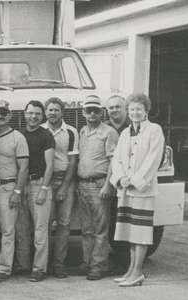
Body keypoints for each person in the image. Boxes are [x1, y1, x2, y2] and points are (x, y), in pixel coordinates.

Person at [109, 93, 165, 287]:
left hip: (143, 190)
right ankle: (131, 271)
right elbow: (117, 159)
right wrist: (121, 178)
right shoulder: (125, 133)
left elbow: (153, 159)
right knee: (130, 232)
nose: (135, 112)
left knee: (140, 233)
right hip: (126, 189)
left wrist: (135, 180)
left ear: (146, 111)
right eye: (131, 109)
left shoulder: (154, 130)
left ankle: (138, 272)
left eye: (138, 109)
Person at [0, 100, 29, 282]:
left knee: (8, 230)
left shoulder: (18, 137)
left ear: (9, 115)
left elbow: (23, 167)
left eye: (3, 112)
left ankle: (4, 268)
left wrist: (17, 191)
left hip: (8, 187)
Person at [76, 94, 120, 281]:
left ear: (101, 112)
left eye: (95, 110)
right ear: (84, 112)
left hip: (99, 185)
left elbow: (114, 161)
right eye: (88, 110)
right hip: (83, 185)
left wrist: (108, 185)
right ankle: (87, 262)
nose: (92, 113)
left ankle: (99, 265)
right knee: (87, 229)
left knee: (101, 229)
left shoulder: (109, 132)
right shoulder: (83, 132)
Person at [14, 101, 56, 282]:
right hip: (20, 185)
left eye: (37, 114)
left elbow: (50, 165)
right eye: (30, 113)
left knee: (40, 230)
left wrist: (44, 189)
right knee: (21, 228)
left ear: (42, 116)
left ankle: (39, 268)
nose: (33, 117)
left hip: (39, 184)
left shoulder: (46, 135)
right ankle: (23, 264)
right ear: (25, 114)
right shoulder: (18, 134)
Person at [43, 97, 79, 278]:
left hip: (66, 180)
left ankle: (59, 264)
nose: (53, 113)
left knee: (64, 224)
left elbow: (73, 161)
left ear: (62, 112)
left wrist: (65, 186)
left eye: (56, 110)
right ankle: (44, 263)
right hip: (46, 182)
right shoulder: (40, 131)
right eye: (50, 110)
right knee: (45, 224)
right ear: (45, 112)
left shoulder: (71, 132)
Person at [104, 94, 131, 273]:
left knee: (127, 223)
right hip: (109, 181)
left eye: (117, 107)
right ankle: (115, 260)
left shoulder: (134, 127)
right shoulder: (104, 127)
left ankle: (126, 264)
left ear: (125, 108)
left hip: (128, 183)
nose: (114, 110)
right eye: (111, 107)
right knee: (111, 222)